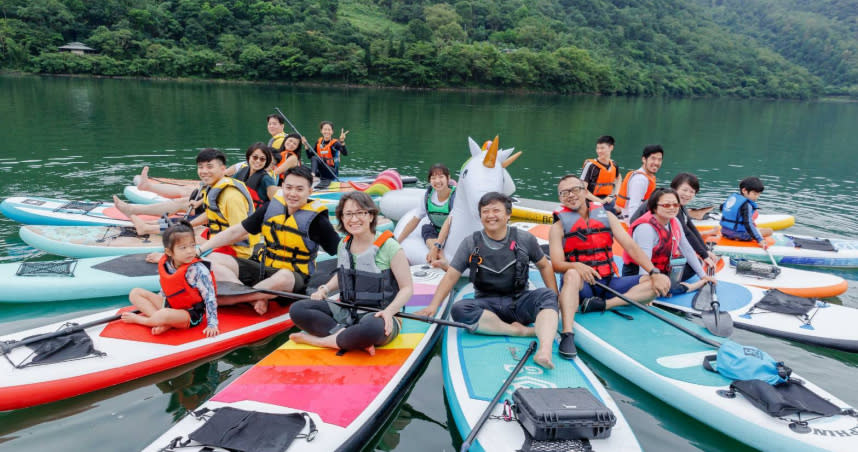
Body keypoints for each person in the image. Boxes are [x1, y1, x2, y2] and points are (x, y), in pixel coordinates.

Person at [416, 192, 560, 369]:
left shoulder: (525, 239)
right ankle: (519, 331)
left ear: (508, 214)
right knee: (459, 309)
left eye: (496, 210)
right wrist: (433, 305)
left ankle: (544, 352)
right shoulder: (470, 243)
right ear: (480, 216)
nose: (490, 215)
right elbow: (451, 275)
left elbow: (544, 266)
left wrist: (555, 299)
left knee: (548, 295)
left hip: (520, 301)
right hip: (487, 306)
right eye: (485, 211)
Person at [549, 175, 671, 358]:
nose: (570, 195)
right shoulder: (558, 227)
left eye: (574, 190)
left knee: (657, 282)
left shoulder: (607, 217)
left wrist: (654, 272)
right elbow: (557, 264)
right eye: (564, 193)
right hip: (582, 287)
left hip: (607, 282)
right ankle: (567, 334)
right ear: (560, 198)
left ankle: (604, 305)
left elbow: (630, 246)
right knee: (572, 274)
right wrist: (577, 265)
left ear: (584, 191)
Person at [197, 165, 340, 315]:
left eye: (299, 189)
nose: (292, 193)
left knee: (284, 276)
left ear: (310, 191)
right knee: (211, 258)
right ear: (282, 186)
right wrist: (200, 250)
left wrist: (326, 288)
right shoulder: (270, 209)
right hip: (264, 269)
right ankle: (254, 298)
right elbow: (236, 231)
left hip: (293, 278)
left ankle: (231, 298)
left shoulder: (317, 222)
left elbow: (343, 254)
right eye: (289, 188)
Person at [289, 192, 414, 355]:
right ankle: (350, 338)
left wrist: (389, 312)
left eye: (360, 213)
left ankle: (322, 341)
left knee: (372, 329)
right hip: (347, 310)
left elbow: (407, 288)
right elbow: (343, 275)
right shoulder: (344, 244)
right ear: (341, 218)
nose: (353, 219)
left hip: (379, 314)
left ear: (370, 215)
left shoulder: (390, 247)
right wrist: (324, 290)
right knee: (298, 309)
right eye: (348, 214)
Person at [121, 220, 219, 337]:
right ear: (169, 252)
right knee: (135, 293)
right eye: (183, 248)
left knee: (164, 314)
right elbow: (167, 286)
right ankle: (162, 322)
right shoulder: (167, 264)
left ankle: (145, 321)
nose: (190, 251)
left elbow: (210, 297)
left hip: (190, 313)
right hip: (170, 304)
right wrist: (158, 300)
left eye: (192, 245)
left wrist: (212, 324)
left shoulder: (199, 270)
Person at [622, 188, 715, 294]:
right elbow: (644, 262)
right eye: (666, 205)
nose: (672, 208)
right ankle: (691, 286)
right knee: (661, 288)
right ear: (654, 207)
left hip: (660, 268)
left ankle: (670, 284)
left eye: (676, 205)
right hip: (638, 273)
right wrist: (645, 289)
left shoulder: (674, 221)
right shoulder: (646, 228)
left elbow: (686, 248)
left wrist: (703, 276)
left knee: (696, 263)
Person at [630, 173, 719, 279]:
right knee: (692, 263)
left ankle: (665, 280)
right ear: (674, 188)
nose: (688, 194)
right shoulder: (651, 221)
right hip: (643, 252)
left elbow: (690, 229)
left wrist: (705, 251)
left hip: (658, 254)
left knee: (693, 263)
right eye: (685, 190)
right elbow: (686, 233)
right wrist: (704, 255)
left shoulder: (678, 207)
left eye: (692, 192)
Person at [395, 163, 456, 264]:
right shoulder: (428, 196)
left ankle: (437, 253)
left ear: (448, 178)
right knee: (426, 227)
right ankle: (439, 255)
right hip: (436, 229)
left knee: (444, 234)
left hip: (452, 232)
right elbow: (415, 219)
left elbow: (448, 223)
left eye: (441, 177)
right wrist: (398, 241)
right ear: (429, 180)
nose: (437, 181)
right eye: (433, 178)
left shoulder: (455, 197)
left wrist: (436, 246)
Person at [719, 176, 773, 248]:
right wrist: (760, 240)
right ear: (744, 190)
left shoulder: (732, 199)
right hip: (738, 235)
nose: (757, 197)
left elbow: (721, 208)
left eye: (758, 194)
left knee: (756, 229)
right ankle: (738, 238)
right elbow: (748, 224)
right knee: (769, 231)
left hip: (724, 232)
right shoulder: (747, 205)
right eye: (754, 194)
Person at [616, 145, 663, 220]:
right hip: (629, 223)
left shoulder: (647, 177)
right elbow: (633, 208)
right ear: (644, 159)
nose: (656, 163)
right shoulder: (640, 179)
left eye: (659, 160)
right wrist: (635, 229)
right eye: (653, 159)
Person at [581, 135, 620, 213]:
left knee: (619, 210)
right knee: (611, 211)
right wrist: (601, 201)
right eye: (597, 148)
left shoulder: (614, 165)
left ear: (611, 148)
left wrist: (615, 195)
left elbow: (618, 179)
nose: (599, 151)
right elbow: (582, 190)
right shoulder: (590, 166)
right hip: (590, 202)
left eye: (602, 148)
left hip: (606, 200)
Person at [230, 143, 278, 208]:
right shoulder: (242, 170)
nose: (258, 161)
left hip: (255, 215)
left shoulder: (267, 179)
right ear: (249, 157)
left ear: (266, 162)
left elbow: (275, 204)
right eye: (255, 157)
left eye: (262, 159)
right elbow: (229, 185)